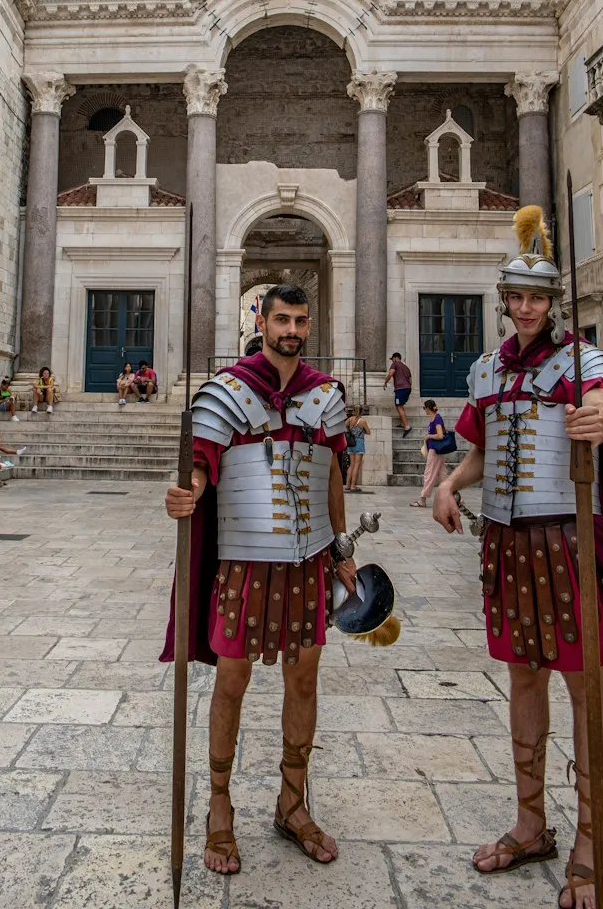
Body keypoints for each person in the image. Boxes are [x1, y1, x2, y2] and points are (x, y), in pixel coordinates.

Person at [430, 205, 603, 905]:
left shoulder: (585, 361)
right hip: (508, 544)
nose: (525, 308)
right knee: (522, 679)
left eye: (537, 297)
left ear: (553, 301)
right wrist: (453, 484)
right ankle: (529, 823)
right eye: (515, 297)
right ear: (503, 301)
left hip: (569, 541)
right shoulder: (486, 372)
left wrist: (601, 414)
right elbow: (483, 449)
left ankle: (589, 836)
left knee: (583, 683)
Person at [162, 283, 359, 875]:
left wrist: (342, 549)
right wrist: (187, 496)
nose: (292, 330)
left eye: (300, 320)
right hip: (243, 563)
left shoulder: (325, 395)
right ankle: (218, 808)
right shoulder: (225, 392)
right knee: (232, 681)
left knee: (304, 682)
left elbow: (330, 480)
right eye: (281, 319)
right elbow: (201, 466)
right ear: (262, 320)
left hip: (306, 563)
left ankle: (292, 804)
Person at [416, 398, 449, 507]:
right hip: (435, 451)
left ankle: (423, 500)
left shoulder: (437, 419)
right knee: (443, 476)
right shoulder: (434, 418)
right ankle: (455, 498)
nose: (424, 410)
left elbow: (440, 435)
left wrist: (429, 436)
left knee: (428, 474)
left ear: (428, 408)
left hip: (435, 451)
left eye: (424, 408)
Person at [345, 405, 370, 493]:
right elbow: (368, 432)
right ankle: (353, 485)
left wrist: (350, 430)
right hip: (359, 442)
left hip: (351, 442)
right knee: (356, 465)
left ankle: (347, 485)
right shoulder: (362, 421)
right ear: (361, 411)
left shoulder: (350, 419)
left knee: (351, 465)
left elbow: (345, 426)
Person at [388, 351, 413, 430]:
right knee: (401, 405)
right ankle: (402, 423)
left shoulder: (395, 364)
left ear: (396, 358)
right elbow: (410, 379)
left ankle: (406, 426)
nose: (392, 361)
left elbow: (391, 373)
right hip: (408, 388)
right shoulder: (406, 367)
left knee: (398, 406)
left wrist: (385, 382)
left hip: (400, 389)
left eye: (392, 359)